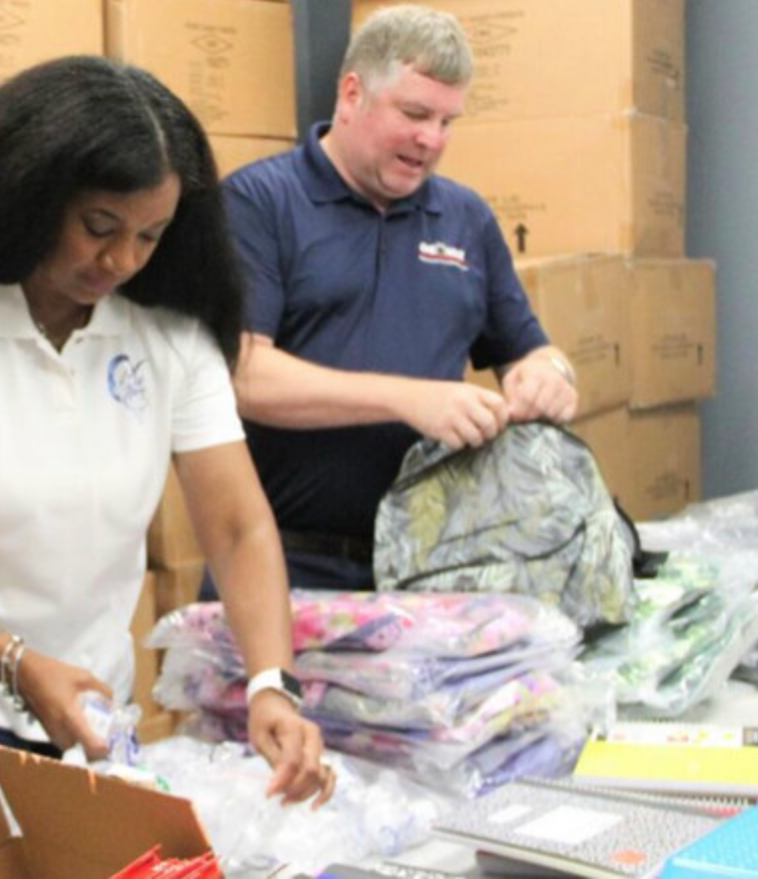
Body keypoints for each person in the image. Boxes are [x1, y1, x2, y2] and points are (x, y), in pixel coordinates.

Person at [0, 55, 331, 805]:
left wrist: (271, 682)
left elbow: (236, 526)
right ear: (33, 196)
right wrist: (15, 661)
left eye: (150, 236)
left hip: (92, 717)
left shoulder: (170, 334)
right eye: (100, 227)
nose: (121, 259)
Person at [223, 5, 580, 591]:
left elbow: (532, 351)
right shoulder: (260, 203)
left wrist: (551, 375)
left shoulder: (465, 218)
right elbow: (242, 375)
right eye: (414, 113)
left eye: (447, 121)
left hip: (430, 574)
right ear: (351, 93)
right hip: (284, 569)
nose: (431, 139)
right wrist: (408, 400)